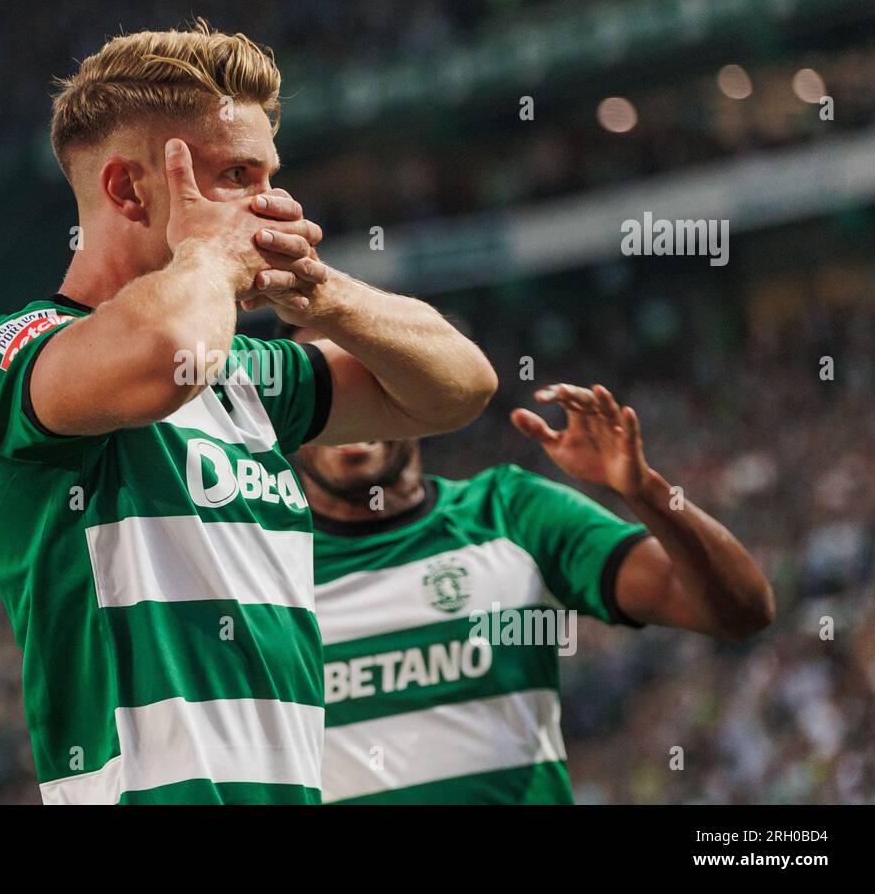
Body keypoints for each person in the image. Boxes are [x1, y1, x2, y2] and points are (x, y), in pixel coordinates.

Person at [0, 21, 497, 804]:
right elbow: (167, 354)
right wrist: (209, 257)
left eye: (270, 173)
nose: (272, 203)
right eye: (237, 175)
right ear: (129, 190)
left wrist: (325, 295)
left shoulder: (249, 376)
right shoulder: (8, 354)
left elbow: (457, 386)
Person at [287, 321, 774, 803]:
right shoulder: (263, 559)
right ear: (288, 414)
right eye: (323, 389)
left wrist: (647, 492)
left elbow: (739, 611)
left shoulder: (512, 512)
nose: (346, 408)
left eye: (367, 380)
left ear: (412, 393)